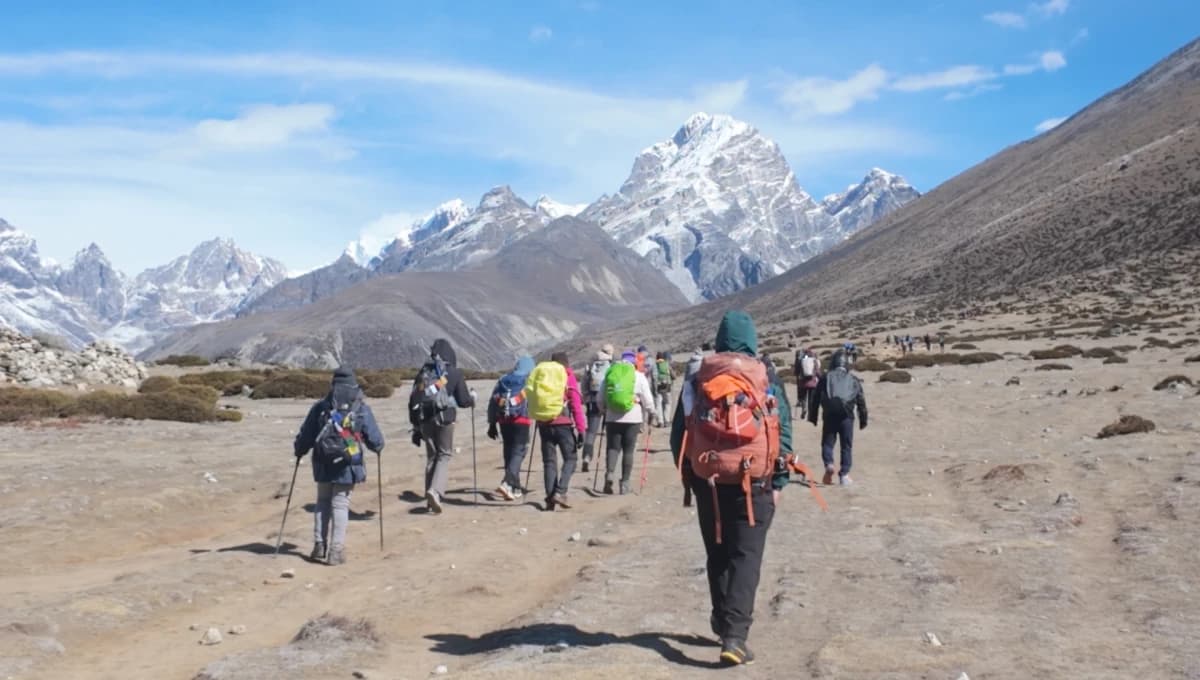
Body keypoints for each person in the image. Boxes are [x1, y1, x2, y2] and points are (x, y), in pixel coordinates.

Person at [669, 310, 792, 666]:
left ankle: (723, 619)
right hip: (755, 480)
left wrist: (690, 475)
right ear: (751, 339)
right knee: (745, 556)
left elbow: (679, 433)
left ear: (720, 340)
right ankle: (735, 637)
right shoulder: (765, 374)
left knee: (717, 551)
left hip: (707, 478)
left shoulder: (698, 376)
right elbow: (782, 430)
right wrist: (779, 480)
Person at [293, 366, 385, 565]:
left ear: (333, 384)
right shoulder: (360, 407)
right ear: (354, 384)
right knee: (340, 504)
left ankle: (319, 545)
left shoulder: (322, 406)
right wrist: (378, 447)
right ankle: (336, 550)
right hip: (347, 458)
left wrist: (299, 450)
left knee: (323, 501)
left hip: (323, 459)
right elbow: (374, 438)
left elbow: (306, 434)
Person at [409, 338, 475, 514]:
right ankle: (435, 491)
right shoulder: (454, 373)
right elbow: (463, 400)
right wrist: (472, 399)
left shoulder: (423, 373)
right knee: (444, 454)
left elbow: (413, 400)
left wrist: (415, 427)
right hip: (445, 418)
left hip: (425, 419)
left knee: (432, 457)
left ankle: (430, 500)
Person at [527, 352, 586, 510]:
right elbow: (575, 405)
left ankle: (549, 501)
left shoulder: (543, 375)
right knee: (571, 459)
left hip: (543, 423)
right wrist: (581, 429)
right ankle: (560, 492)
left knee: (549, 462)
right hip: (562, 424)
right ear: (566, 363)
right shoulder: (567, 375)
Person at [599, 350, 658, 494]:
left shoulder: (611, 373)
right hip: (633, 418)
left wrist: (603, 410)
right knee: (628, 450)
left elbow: (600, 397)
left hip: (612, 417)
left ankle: (610, 474)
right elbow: (647, 399)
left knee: (613, 448)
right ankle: (625, 483)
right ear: (634, 363)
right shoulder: (639, 376)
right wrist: (652, 412)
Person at [808, 350, 868, 486]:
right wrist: (863, 420)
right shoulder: (853, 379)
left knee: (827, 443)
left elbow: (815, 398)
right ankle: (844, 475)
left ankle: (829, 463)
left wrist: (813, 417)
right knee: (846, 446)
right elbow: (861, 401)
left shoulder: (825, 377)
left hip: (829, 415)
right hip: (847, 417)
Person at [486, 356, 535, 501]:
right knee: (519, 451)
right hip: (521, 419)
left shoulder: (503, 380)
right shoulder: (528, 380)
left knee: (509, 452)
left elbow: (493, 401)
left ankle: (515, 487)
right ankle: (507, 482)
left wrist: (492, 423)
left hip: (503, 420)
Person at [580, 344, 614, 472]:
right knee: (610, 432)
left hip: (593, 401)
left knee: (591, 432)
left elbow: (584, 383)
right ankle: (609, 463)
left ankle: (587, 457)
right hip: (607, 402)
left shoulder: (591, 365)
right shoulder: (611, 366)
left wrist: (586, 398)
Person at [793, 347, 820, 420]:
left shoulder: (801, 360)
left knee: (803, 398)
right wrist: (820, 378)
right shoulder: (814, 360)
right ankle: (810, 414)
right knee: (811, 399)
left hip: (803, 382)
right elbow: (817, 371)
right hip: (812, 382)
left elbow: (796, 372)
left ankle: (804, 409)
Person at [653, 351, 675, 428]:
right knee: (667, 403)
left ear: (656, 358)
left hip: (658, 387)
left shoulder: (655, 365)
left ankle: (660, 422)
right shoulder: (667, 364)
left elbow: (653, 377)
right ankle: (667, 421)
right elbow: (674, 376)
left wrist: (654, 388)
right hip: (667, 386)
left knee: (658, 404)